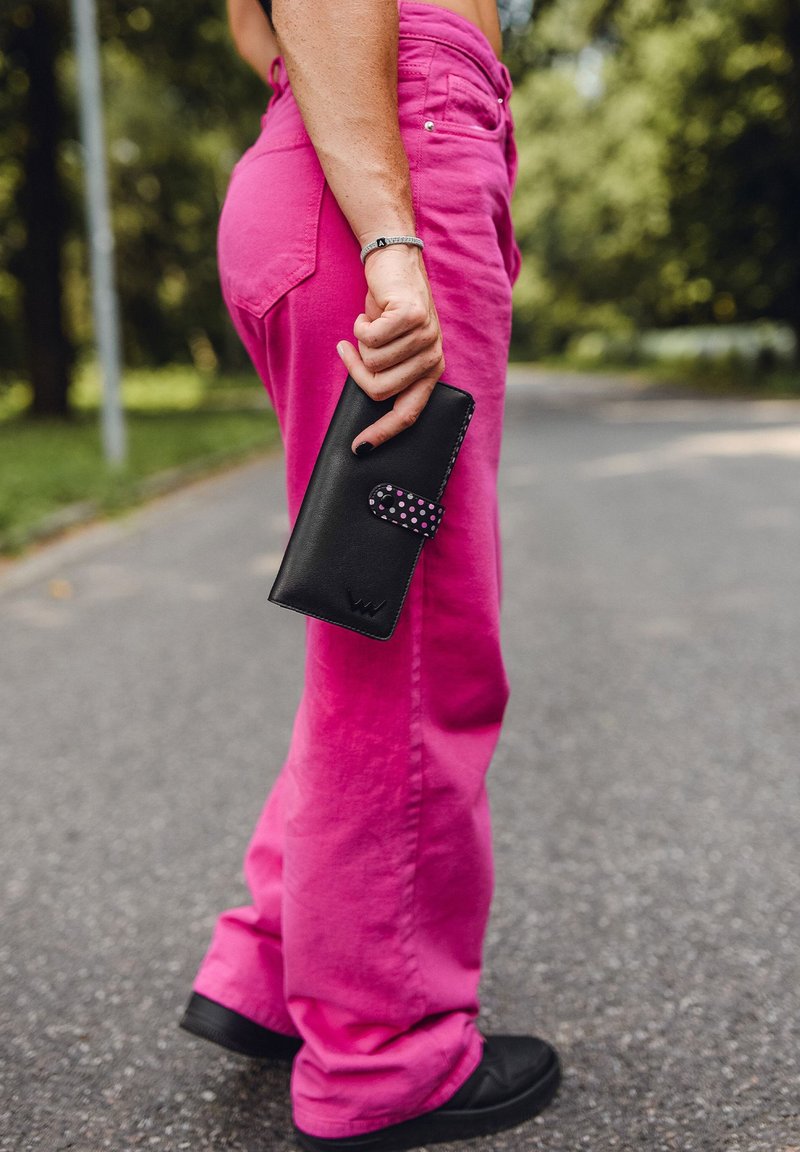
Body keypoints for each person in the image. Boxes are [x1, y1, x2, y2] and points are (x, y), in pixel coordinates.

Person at [178, 1, 562, 1148]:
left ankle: (271, 962)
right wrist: (395, 236)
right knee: (416, 642)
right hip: (387, 176)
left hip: (328, 155)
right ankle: (382, 1053)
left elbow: (260, 28)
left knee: (368, 617)